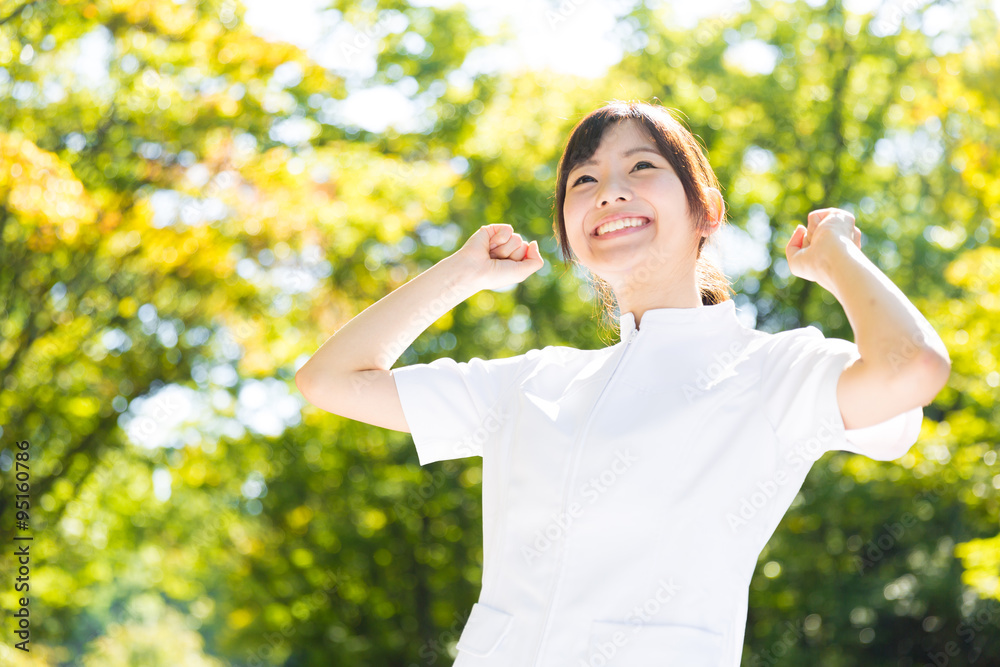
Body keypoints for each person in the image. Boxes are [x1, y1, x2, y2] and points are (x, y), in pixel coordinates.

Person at [294, 100, 951, 666]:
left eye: (641, 167)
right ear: (569, 237)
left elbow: (911, 365)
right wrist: (462, 272)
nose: (609, 191)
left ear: (707, 211)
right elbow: (329, 379)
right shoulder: (529, 384)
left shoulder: (772, 374)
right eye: (584, 179)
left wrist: (838, 258)